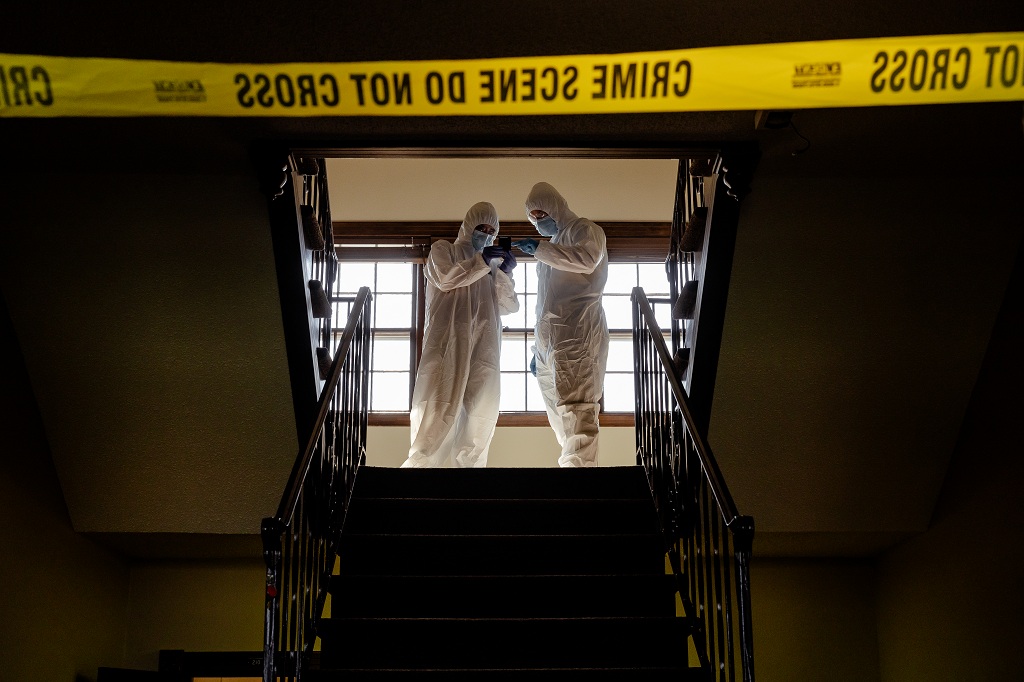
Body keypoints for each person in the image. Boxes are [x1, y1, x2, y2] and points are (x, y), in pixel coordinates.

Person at [401, 201, 519, 468]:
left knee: (480, 408)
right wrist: (482, 261)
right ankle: (420, 467)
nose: (486, 233)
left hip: (484, 346)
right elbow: (446, 278)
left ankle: (470, 473)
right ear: (468, 226)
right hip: (448, 342)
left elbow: (509, 306)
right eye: (481, 227)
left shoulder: (493, 266)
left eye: (492, 229)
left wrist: (504, 273)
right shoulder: (444, 250)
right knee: (439, 405)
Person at [514, 182, 609, 468]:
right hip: (550, 341)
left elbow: (587, 260)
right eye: (533, 217)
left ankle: (580, 475)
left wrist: (540, 250)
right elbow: (546, 303)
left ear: (557, 206)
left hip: (578, 332)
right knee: (558, 411)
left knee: (577, 407)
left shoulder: (585, 229)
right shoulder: (549, 247)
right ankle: (571, 465)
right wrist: (538, 349)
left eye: (542, 213)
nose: (538, 221)